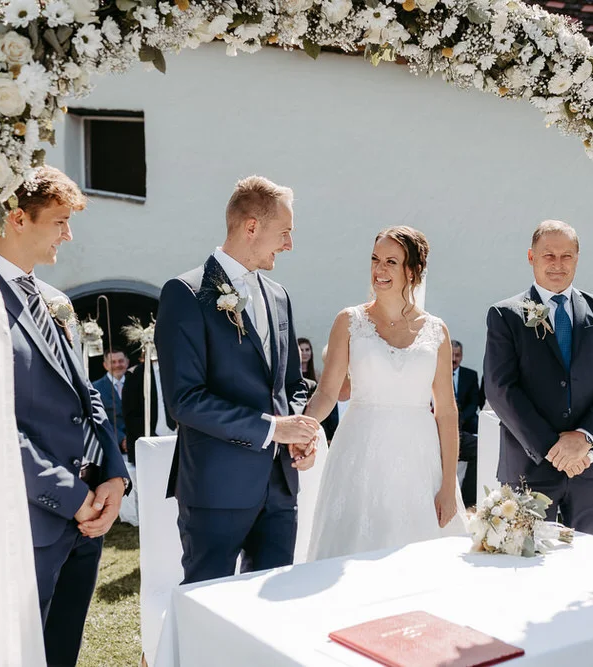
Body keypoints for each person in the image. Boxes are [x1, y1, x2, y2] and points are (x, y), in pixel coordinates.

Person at [0, 166, 130, 666]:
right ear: (17, 218)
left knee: (62, 652)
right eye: (61, 220)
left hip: (87, 520)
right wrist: (70, 496)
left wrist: (112, 475)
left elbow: (89, 396)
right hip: (25, 520)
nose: (69, 233)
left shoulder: (52, 300)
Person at [155, 176, 320, 584]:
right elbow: (185, 400)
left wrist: (296, 431)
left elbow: (292, 384)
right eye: (285, 233)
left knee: (270, 612)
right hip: (217, 489)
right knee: (205, 608)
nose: (289, 244)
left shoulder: (279, 295)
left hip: (281, 488)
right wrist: (270, 428)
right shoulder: (186, 293)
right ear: (251, 227)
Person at [304, 226, 466, 560]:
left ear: (412, 271)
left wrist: (448, 486)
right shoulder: (349, 321)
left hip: (419, 461)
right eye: (375, 259)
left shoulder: (436, 330)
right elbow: (327, 393)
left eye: (391, 262)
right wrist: (300, 427)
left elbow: (447, 412)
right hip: (359, 456)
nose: (379, 269)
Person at [483, 220, 593, 538]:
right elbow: (500, 389)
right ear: (531, 257)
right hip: (528, 465)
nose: (557, 264)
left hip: (592, 465)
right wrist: (554, 448)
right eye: (548, 255)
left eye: (567, 256)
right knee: (526, 563)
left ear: (577, 258)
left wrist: (585, 438)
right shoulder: (505, 315)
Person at [121, 347, 176, 464]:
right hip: (150, 443)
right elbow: (131, 414)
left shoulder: (176, 370)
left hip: (179, 439)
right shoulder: (136, 374)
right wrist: (152, 440)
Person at [452, 340, 480, 507]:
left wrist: (461, 420)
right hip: (440, 426)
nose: (454, 359)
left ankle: (469, 500)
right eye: (451, 355)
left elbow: (473, 402)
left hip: (465, 422)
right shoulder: (433, 374)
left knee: (480, 445)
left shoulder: (470, 375)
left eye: (457, 355)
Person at [92, 348, 128, 453]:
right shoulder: (95, 388)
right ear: (105, 365)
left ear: (127, 362)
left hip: (138, 444)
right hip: (110, 448)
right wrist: (122, 439)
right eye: (113, 362)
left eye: (121, 361)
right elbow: (100, 420)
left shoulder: (138, 384)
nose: (117, 365)